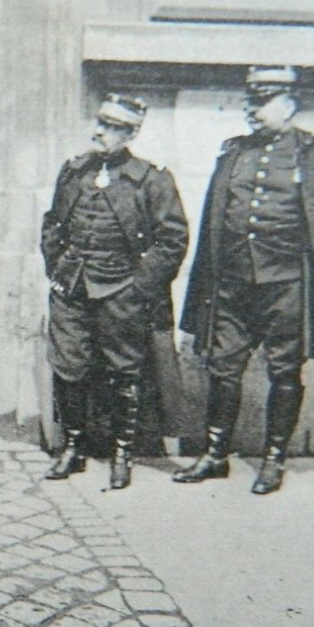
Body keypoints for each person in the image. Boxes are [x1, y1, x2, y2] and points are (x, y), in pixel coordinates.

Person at [174, 65, 314, 495]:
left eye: (263, 103)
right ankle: (214, 454)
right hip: (232, 285)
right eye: (251, 102)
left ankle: (273, 459)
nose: (253, 110)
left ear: (290, 105)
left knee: (284, 371)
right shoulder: (233, 152)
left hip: (287, 286)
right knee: (222, 368)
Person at [40, 94, 189, 489]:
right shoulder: (74, 172)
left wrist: (139, 288)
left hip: (122, 290)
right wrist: (56, 270)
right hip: (71, 288)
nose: (99, 131)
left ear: (132, 132)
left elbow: (172, 240)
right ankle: (72, 447)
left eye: (110, 126)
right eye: (99, 122)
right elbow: (53, 224)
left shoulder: (152, 179)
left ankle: (123, 453)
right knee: (68, 366)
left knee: (124, 372)